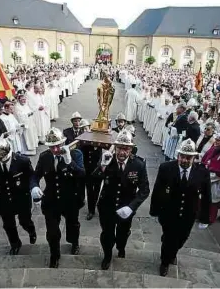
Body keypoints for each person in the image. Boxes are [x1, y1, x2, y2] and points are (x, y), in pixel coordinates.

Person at [150, 138, 211, 277]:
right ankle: (165, 262)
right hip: (169, 212)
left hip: (189, 213)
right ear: (178, 155)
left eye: (188, 157)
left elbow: (207, 195)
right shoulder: (166, 168)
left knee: (182, 238)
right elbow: (158, 189)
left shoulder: (202, 172)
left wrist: (204, 218)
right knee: (169, 239)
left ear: (194, 157)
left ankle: (173, 251)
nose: (184, 160)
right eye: (182, 156)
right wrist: (154, 210)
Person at [93, 130, 150, 270]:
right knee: (107, 235)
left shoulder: (138, 164)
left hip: (126, 207)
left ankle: (121, 246)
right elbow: (93, 179)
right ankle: (107, 256)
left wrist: (132, 207)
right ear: (115, 147)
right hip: (107, 205)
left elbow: (144, 190)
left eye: (126, 149)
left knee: (122, 235)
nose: (122, 152)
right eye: (119, 148)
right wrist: (102, 166)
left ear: (131, 149)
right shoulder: (107, 159)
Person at [30, 127, 85, 268]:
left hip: (70, 199)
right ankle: (54, 255)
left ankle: (74, 242)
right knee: (52, 231)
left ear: (64, 142)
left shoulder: (76, 154)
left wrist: (69, 161)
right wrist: (34, 186)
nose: (55, 149)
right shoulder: (44, 157)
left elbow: (82, 175)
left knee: (73, 225)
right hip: (51, 199)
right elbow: (35, 175)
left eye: (58, 145)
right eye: (51, 147)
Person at [0, 138, 37, 255]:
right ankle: (15, 244)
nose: (1, 161)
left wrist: (34, 189)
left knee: (25, 221)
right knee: (8, 225)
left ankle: (31, 230)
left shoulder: (22, 161)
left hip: (21, 197)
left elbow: (31, 177)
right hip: (3, 197)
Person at [79, 119, 102, 220]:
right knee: (89, 190)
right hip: (88, 170)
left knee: (96, 189)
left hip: (99, 169)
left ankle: (94, 204)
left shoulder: (98, 141)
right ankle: (91, 210)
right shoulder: (84, 143)